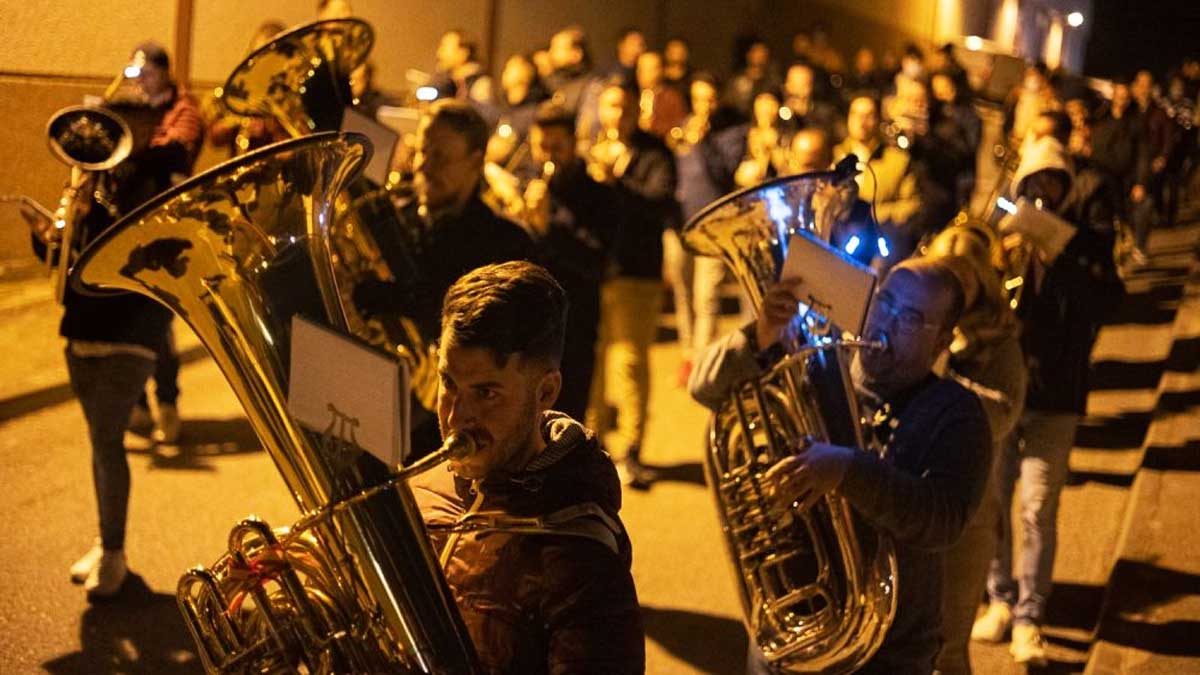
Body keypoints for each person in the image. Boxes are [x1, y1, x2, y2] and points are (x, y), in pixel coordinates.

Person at [690, 257, 992, 674]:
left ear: (941, 342)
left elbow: (941, 520)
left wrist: (848, 471)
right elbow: (704, 387)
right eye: (884, 302)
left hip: (886, 654)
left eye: (909, 318)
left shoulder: (956, 413)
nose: (885, 322)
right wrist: (761, 334)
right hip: (786, 638)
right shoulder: (817, 369)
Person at [410, 261, 644, 673]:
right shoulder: (418, 487)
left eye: (486, 393)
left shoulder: (582, 562)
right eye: (449, 384)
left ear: (546, 392)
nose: (455, 416)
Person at [56, 41, 203, 599]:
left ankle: (114, 555)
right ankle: (107, 542)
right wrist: (57, 227)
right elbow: (65, 248)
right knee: (101, 441)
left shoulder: (165, 140)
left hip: (135, 308)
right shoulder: (97, 171)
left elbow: (179, 154)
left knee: (108, 438)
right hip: (86, 316)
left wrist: (126, 159)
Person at [973, 123, 1122, 667]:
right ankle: (998, 598)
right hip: (1002, 387)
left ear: (1068, 186)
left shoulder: (1088, 244)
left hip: (1057, 393)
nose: (1043, 192)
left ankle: (1031, 614)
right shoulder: (1003, 232)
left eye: (1054, 182)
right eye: (1034, 183)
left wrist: (1062, 253)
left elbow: (1107, 300)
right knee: (991, 501)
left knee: (1037, 507)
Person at [352, 99, 535, 456]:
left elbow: (498, 337)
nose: (423, 165)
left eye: (440, 157)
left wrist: (397, 298)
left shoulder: (506, 242)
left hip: (463, 425)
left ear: (475, 160)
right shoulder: (393, 222)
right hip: (377, 408)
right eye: (421, 151)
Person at [926, 225, 1027, 675]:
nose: (951, 287)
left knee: (947, 646)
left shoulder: (999, 338)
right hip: (908, 506)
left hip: (966, 516)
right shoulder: (917, 322)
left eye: (962, 277)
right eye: (943, 275)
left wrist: (940, 376)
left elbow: (1002, 414)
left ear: (981, 279)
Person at [585, 82, 679, 489]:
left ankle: (632, 449)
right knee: (591, 362)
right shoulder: (591, 149)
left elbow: (658, 205)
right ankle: (591, 444)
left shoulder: (654, 155)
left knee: (629, 361)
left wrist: (616, 180)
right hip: (593, 270)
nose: (615, 115)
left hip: (636, 272)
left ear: (635, 110)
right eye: (608, 106)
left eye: (622, 107)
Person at [523, 103, 620, 420]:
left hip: (574, 327)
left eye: (557, 147)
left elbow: (597, 262)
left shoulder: (598, 196)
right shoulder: (526, 184)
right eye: (541, 147)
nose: (548, 156)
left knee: (566, 419)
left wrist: (547, 229)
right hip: (529, 327)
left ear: (573, 144)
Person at [833, 94, 923, 264]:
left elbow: (912, 204)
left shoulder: (897, 161)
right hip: (838, 240)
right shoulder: (834, 155)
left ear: (878, 120)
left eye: (868, 115)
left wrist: (877, 213)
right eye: (856, 114)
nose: (862, 122)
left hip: (878, 243)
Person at [431, 29, 493, 105]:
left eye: (445, 48)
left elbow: (483, 113)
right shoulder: (447, 81)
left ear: (463, 53)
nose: (439, 53)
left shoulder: (480, 84)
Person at [636, 51, 687, 140]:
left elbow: (679, 128)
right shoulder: (631, 95)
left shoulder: (672, 98)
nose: (642, 73)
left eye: (649, 69)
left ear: (661, 71)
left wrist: (653, 126)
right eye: (640, 69)